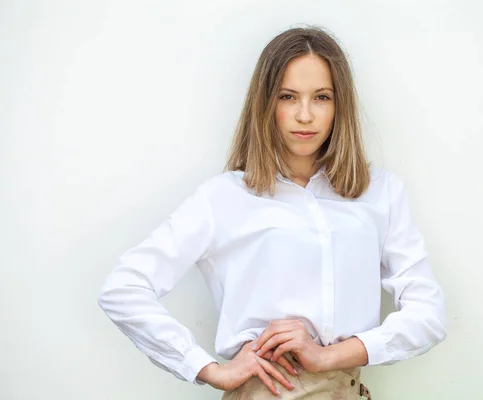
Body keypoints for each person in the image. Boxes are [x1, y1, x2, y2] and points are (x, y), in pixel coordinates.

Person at [98, 26, 447, 399]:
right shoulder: (224, 197)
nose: (305, 114)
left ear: (339, 104)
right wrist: (206, 368)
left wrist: (327, 356)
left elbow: (428, 316)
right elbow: (124, 287)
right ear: (266, 103)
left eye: (322, 97)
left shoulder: (380, 192)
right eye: (288, 96)